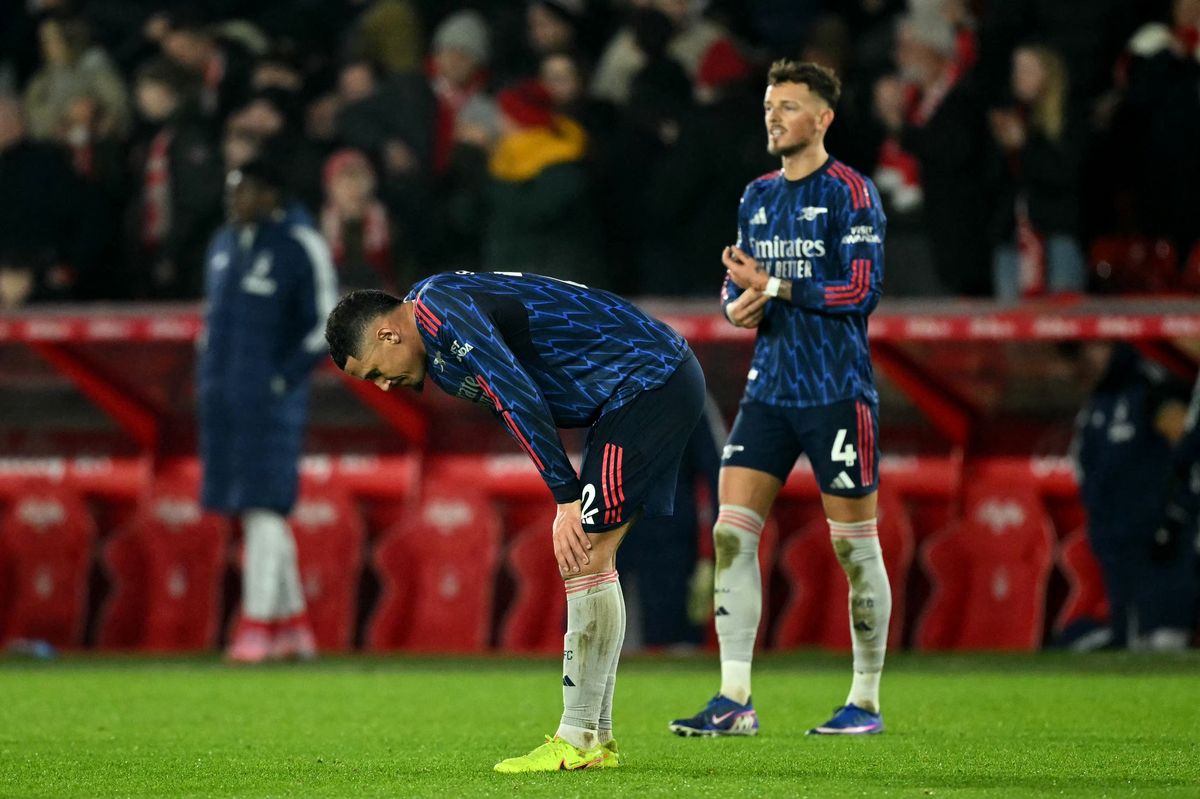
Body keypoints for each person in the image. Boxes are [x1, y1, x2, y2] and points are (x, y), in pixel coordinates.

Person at [324, 271, 706, 772]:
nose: (383, 385)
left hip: (647, 381)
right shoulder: (440, 347)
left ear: (387, 334)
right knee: (591, 557)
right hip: (632, 392)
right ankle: (595, 737)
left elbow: (515, 394)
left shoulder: (439, 309)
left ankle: (579, 739)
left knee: (584, 551)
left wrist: (565, 498)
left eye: (375, 371)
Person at [670, 59, 890, 737]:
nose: (774, 116)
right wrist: (736, 304)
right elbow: (739, 279)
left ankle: (865, 701)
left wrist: (774, 287)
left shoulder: (852, 191)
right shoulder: (757, 195)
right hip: (769, 389)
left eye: (788, 106)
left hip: (836, 390)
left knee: (854, 547)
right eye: (770, 106)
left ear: (823, 119)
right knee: (730, 532)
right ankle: (734, 696)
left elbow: (860, 291)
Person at [197, 159, 338, 663]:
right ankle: (293, 629)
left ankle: (256, 625)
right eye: (230, 189)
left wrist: (282, 379)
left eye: (244, 189)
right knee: (250, 509)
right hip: (223, 401)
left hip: (271, 403)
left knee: (264, 506)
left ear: (271, 193)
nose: (233, 199)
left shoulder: (300, 244)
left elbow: (328, 322)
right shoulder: (222, 245)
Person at [1070, 343, 1196, 649]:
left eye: (1084, 350)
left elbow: (1184, 447)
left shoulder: (1151, 386)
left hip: (1158, 542)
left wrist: (1173, 510)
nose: (1079, 362)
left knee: (1164, 639)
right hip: (1114, 541)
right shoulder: (1098, 401)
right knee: (1126, 637)